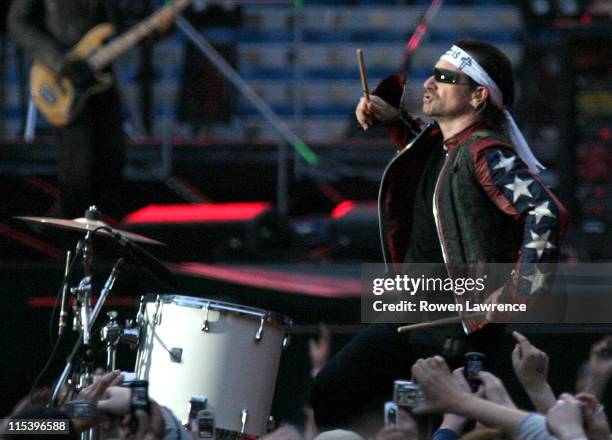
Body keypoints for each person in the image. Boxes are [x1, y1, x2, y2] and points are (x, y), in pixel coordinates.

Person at [311, 39, 569, 428]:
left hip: (456, 333)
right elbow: (430, 163)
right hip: (412, 319)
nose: (429, 83)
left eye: (445, 77)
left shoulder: (485, 152)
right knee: (333, 392)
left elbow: (545, 210)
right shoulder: (447, 146)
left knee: (426, 423)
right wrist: (394, 120)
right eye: (431, 74)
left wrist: (519, 292)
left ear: (478, 96)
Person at [7, 1, 174, 220]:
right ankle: (72, 246)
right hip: (64, 81)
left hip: (101, 82)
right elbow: (18, 22)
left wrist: (158, 29)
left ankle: (104, 242)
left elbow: (122, 27)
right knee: (78, 174)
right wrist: (61, 62)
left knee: (112, 166)